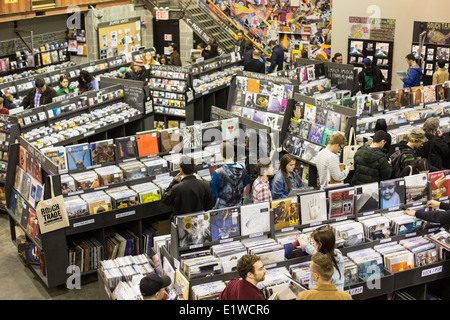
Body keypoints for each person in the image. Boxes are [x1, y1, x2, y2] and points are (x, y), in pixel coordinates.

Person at [296, 226, 345, 291]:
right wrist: (304, 245)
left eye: (314, 243)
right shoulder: (336, 254)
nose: (313, 245)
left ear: (320, 245)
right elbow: (317, 252)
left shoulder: (322, 266)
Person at [210, 142, 248, 209]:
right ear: (233, 153)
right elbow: (244, 185)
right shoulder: (243, 169)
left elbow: (214, 195)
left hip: (223, 211)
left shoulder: (218, 173)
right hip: (238, 208)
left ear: (221, 155)